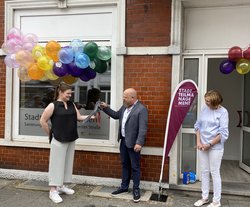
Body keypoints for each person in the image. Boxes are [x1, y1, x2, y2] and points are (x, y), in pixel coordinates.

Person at [40, 82, 94, 204]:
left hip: (71, 138)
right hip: (58, 139)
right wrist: (50, 134)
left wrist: (91, 117)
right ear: (60, 92)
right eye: (68, 93)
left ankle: (61, 186)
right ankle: (53, 190)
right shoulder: (52, 105)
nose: (70, 96)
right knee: (56, 165)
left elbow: (79, 117)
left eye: (71, 93)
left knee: (67, 163)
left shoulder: (71, 104)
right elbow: (43, 120)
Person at [100, 88, 148, 203]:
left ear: (132, 97)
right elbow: (116, 115)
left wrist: (139, 142)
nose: (123, 98)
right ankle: (124, 187)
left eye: (125, 97)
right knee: (125, 164)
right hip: (123, 141)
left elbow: (143, 128)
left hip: (133, 143)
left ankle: (136, 190)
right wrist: (106, 108)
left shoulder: (141, 109)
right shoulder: (124, 107)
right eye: (123, 96)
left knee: (135, 167)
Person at [193, 90, 229, 207]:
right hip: (202, 145)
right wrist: (199, 142)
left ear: (215, 102)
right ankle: (204, 198)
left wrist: (209, 144)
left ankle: (216, 201)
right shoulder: (204, 108)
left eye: (208, 101)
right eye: (205, 100)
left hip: (215, 147)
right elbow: (198, 125)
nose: (206, 103)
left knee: (214, 172)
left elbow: (223, 133)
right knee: (204, 171)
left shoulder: (223, 112)